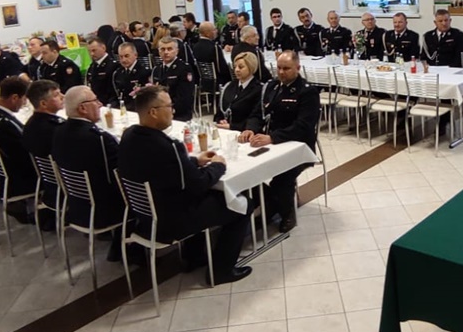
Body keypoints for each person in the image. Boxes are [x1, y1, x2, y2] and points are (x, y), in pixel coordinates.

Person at [118, 85, 253, 283]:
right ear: (153, 112)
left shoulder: (129, 136)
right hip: (171, 220)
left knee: (205, 197)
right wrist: (218, 166)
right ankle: (222, 270)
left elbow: (167, 168)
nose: (172, 111)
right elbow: (198, 183)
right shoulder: (168, 146)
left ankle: (194, 257)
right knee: (241, 204)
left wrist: (194, 161)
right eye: (168, 106)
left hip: (144, 215)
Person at [240, 51, 321, 232]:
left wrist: (273, 137)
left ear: (298, 68)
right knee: (248, 172)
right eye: (279, 68)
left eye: (286, 68)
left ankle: (287, 213)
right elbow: (257, 113)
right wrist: (250, 128)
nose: (281, 72)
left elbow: (303, 126)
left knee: (281, 179)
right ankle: (272, 205)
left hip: (299, 147)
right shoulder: (272, 87)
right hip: (271, 144)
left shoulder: (307, 91)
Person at [50, 86, 124, 258]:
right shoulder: (98, 138)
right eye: (95, 101)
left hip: (76, 204)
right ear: (82, 108)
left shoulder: (58, 131)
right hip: (104, 209)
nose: (100, 104)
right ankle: (128, 249)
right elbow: (119, 174)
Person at [0, 76, 33, 223]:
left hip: (2, 175)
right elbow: (23, 155)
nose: (24, 104)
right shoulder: (3, 123)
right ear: (14, 98)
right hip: (17, 179)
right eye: (24, 99)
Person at [22, 79, 63, 230]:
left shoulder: (30, 124)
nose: (62, 97)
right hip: (65, 183)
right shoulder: (55, 129)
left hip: (47, 180)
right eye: (57, 95)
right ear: (44, 104)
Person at [151, 36, 196, 121]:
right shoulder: (157, 69)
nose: (166, 52)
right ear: (159, 52)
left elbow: (185, 97)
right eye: (163, 49)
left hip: (178, 114)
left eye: (169, 49)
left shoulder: (184, 68)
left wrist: (168, 110)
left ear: (177, 51)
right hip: (160, 112)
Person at [218, 53, 265, 132]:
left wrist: (232, 126)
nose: (236, 70)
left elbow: (256, 119)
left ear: (251, 68)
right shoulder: (230, 85)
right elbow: (220, 111)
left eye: (241, 67)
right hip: (225, 130)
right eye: (235, 67)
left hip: (246, 132)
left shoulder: (259, 90)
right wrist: (221, 120)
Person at [110, 43, 152, 111]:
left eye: (127, 56)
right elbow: (114, 95)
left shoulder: (145, 72)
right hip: (122, 108)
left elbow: (147, 98)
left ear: (135, 55)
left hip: (138, 109)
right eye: (121, 57)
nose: (123, 60)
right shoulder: (117, 73)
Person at [191, 21, 232, 87]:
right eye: (214, 29)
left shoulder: (195, 47)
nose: (216, 31)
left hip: (203, 80)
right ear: (207, 33)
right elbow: (221, 68)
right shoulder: (214, 47)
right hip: (217, 81)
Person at [86, 38, 115, 104]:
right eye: (89, 51)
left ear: (103, 48)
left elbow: (113, 90)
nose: (92, 54)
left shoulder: (112, 65)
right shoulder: (92, 67)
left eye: (94, 50)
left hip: (108, 103)